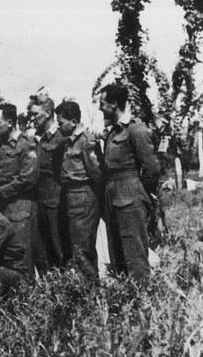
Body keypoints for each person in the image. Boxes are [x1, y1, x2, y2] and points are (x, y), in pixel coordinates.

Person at [98, 83, 161, 283]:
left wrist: (141, 192)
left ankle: (144, 301)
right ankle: (126, 301)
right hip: (113, 200)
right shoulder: (112, 132)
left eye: (103, 104)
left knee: (135, 256)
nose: (100, 108)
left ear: (114, 104)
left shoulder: (136, 130)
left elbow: (152, 169)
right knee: (118, 258)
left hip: (130, 200)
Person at [0, 103, 38, 275]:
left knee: (21, 255)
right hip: (1, 208)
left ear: (10, 122)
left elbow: (28, 178)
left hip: (19, 208)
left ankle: (28, 295)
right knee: (4, 255)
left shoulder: (26, 144)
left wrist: (2, 190)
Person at [56, 100, 102, 282]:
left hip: (83, 197)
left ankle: (92, 289)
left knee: (82, 249)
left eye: (61, 123)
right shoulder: (69, 142)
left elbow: (96, 173)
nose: (59, 126)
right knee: (76, 247)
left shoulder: (85, 141)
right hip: (72, 197)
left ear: (73, 121)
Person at [28, 93, 66, 275]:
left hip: (54, 199)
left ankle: (65, 287)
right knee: (40, 248)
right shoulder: (35, 138)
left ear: (49, 112)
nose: (32, 118)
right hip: (37, 200)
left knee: (57, 245)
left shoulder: (60, 137)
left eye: (36, 114)